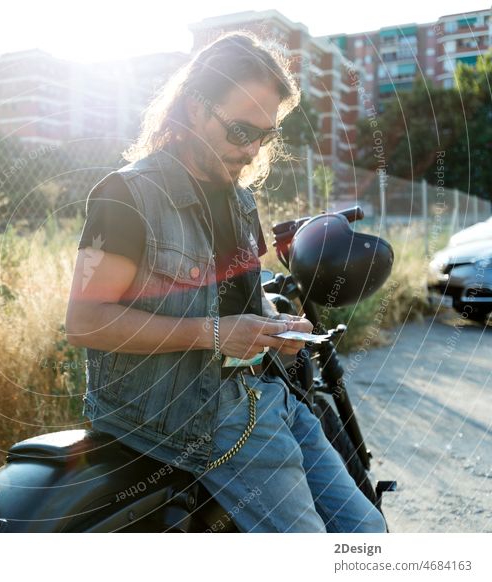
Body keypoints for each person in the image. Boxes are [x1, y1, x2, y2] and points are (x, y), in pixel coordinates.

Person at [64, 31, 387, 533]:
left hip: (260, 398)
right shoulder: (127, 195)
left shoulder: (240, 201)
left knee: (366, 531)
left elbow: (238, 298)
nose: (254, 149)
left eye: (266, 135)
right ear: (195, 109)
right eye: (241, 130)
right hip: (182, 417)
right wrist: (212, 333)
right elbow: (84, 322)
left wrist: (277, 326)